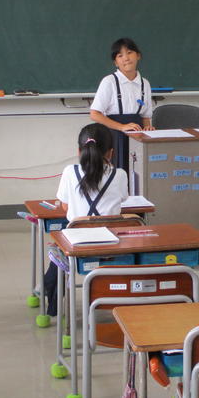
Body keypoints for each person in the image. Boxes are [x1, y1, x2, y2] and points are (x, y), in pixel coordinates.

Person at [44, 124, 129, 315]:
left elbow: (65, 207)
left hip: (77, 248)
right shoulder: (120, 175)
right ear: (111, 153)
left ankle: (53, 300)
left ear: (79, 151)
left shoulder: (69, 172)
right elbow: (123, 199)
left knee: (65, 232)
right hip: (112, 247)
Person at [90, 37, 153, 174]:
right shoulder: (109, 81)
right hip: (114, 136)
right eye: (120, 55)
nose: (126, 58)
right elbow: (95, 114)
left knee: (138, 174)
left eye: (129, 52)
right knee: (118, 174)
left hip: (137, 136)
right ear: (115, 62)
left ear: (138, 55)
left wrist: (147, 128)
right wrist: (122, 127)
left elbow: (145, 116)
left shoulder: (145, 84)